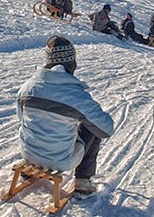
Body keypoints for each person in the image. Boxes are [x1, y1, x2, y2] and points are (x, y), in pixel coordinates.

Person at [16, 36, 115, 196]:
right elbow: (106, 130)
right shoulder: (76, 96)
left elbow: (21, 119)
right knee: (92, 128)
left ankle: (31, 167)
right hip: (60, 161)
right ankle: (83, 182)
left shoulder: (28, 87)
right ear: (71, 63)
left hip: (27, 153)